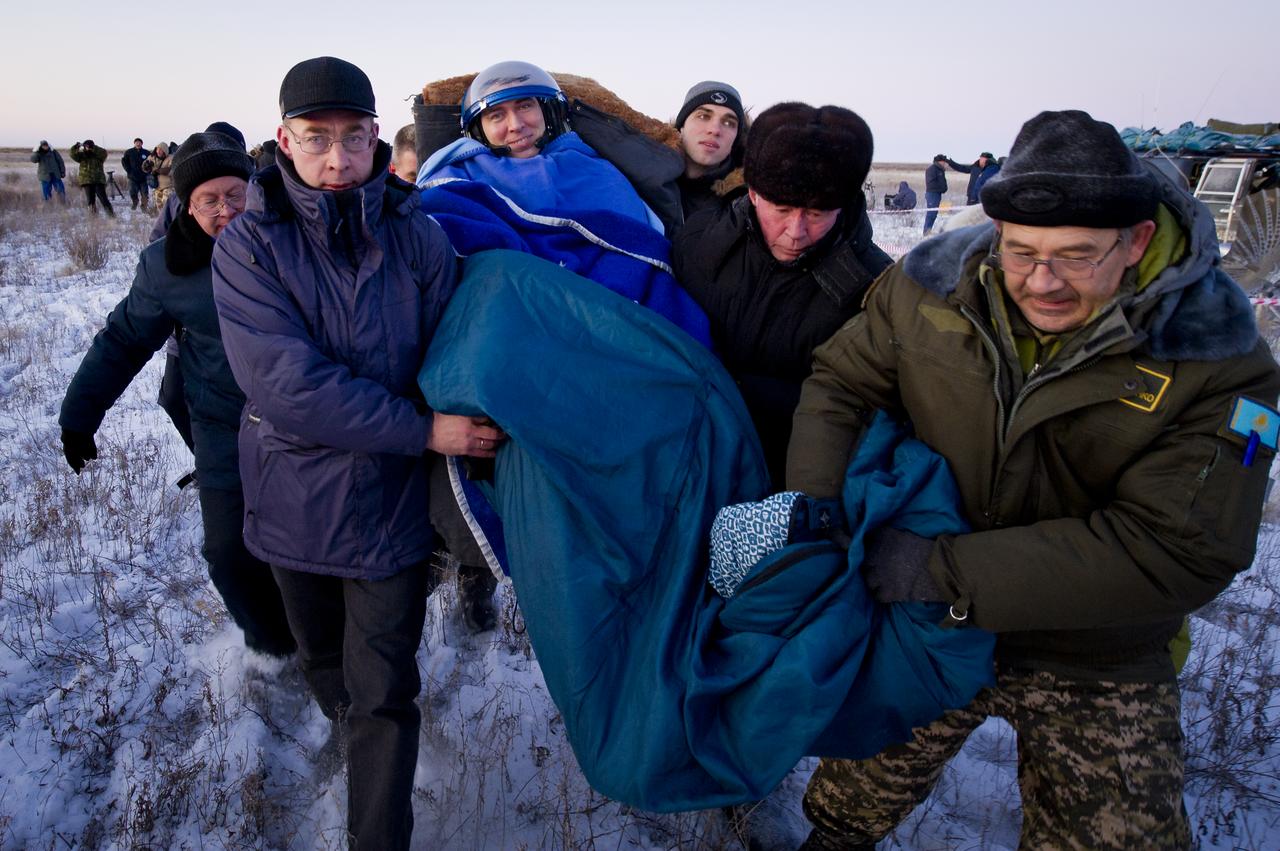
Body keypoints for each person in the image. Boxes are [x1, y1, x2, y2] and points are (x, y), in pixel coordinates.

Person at [786, 109, 1280, 851]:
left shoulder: (1219, 360)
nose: (1042, 282)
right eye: (1020, 253)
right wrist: (815, 506)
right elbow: (841, 382)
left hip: (1094, 643)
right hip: (932, 616)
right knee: (854, 783)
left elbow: (1179, 549)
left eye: (1077, 256)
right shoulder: (929, 291)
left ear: (1137, 241)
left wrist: (938, 568)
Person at [211, 56, 493, 850]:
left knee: (386, 690)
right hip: (294, 499)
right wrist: (423, 429)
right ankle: (336, 710)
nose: (336, 159)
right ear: (283, 140)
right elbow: (288, 386)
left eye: (353, 137)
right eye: (315, 139)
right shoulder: (250, 246)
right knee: (323, 654)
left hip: (391, 510)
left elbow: (451, 350)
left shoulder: (418, 236)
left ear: (376, 136)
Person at [59, 130, 296, 658]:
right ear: (186, 206)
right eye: (209, 200)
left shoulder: (293, 241)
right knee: (227, 552)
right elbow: (123, 338)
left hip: (303, 420)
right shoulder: (167, 266)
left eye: (236, 195)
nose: (226, 210)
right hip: (222, 421)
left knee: (307, 545)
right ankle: (272, 647)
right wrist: (80, 414)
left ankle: (321, 640)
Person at [671, 102, 891, 487]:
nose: (796, 232)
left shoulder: (876, 288)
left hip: (791, 480)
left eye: (818, 214)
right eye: (782, 209)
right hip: (687, 461)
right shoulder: (698, 242)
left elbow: (868, 409)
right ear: (753, 193)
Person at [673, 81, 747, 219]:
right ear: (681, 127)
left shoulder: (748, 205)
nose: (715, 130)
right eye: (703, 116)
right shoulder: (645, 180)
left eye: (728, 123)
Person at [68, 139, 114, 216]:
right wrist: (76, 146)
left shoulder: (98, 155)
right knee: (90, 200)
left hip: (98, 180)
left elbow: (104, 153)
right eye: (86, 146)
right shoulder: (82, 155)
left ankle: (111, 215)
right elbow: (72, 154)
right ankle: (93, 216)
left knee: (103, 199)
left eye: (89, 146)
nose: (88, 148)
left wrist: (94, 148)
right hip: (86, 180)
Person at [121, 137, 150, 210]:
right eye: (136, 142)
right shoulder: (129, 152)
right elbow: (124, 162)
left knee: (145, 193)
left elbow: (151, 163)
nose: (138, 143)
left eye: (139, 142)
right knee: (133, 192)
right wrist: (128, 170)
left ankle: (144, 207)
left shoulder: (146, 152)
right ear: (134, 143)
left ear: (142, 143)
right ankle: (135, 202)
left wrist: (148, 171)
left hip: (143, 177)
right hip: (133, 177)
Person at [143, 142, 173, 210]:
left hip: (168, 187)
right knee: (159, 207)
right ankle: (161, 219)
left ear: (165, 151)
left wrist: (158, 171)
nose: (158, 151)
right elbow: (144, 169)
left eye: (161, 150)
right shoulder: (152, 157)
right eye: (157, 149)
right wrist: (145, 166)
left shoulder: (171, 158)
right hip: (156, 187)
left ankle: (169, 219)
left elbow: (172, 171)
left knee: (166, 205)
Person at [923, 153, 948, 234]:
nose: (945, 163)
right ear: (939, 161)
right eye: (943, 162)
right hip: (932, 194)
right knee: (931, 214)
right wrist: (941, 188)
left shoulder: (940, 170)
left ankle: (928, 231)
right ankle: (926, 232)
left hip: (937, 194)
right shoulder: (932, 169)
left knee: (933, 214)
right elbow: (931, 183)